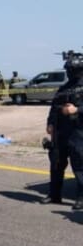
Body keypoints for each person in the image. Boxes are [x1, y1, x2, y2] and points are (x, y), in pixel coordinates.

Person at [42, 50, 83, 209]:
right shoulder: (64, 88)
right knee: (56, 163)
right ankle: (54, 195)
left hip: (78, 132)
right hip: (61, 132)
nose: (70, 72)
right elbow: (54, 107)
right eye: (69, 70)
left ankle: (81, 197)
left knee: (79, 165)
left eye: (72, 70)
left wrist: (77, 110)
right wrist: (50, 123)